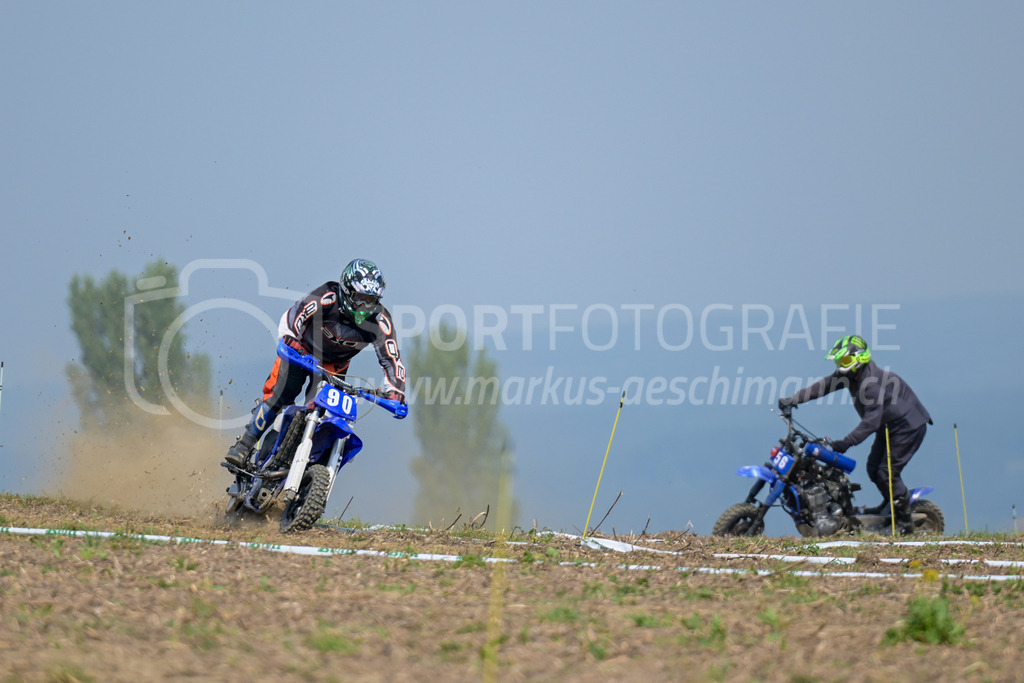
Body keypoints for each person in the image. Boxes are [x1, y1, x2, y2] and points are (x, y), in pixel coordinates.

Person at [224, 258, 407, 469]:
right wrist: (290, 336)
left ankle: (301, 470)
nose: (366, 306)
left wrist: (396, 391)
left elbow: (392, 359)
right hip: (300, 351)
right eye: (361, 298)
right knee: (282, 394)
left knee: (323, 416)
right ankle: (244, 444)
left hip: (334, 367)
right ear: (347, 291)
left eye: (372, 300)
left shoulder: (380, 320)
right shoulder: (327, 296)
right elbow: (296, 314)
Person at [777, 335, 931, 534]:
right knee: (873, 468)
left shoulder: (871, 384)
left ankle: (904, 525)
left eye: (846, 361)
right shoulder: (852, 375)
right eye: (839, 361)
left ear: (860, 359)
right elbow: (823, 386)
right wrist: (793, 399)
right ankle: (890, 507)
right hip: (889, 427)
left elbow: (871, 422)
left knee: (887, 473)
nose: (841, 366)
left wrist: (846, 442)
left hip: (908, 426)